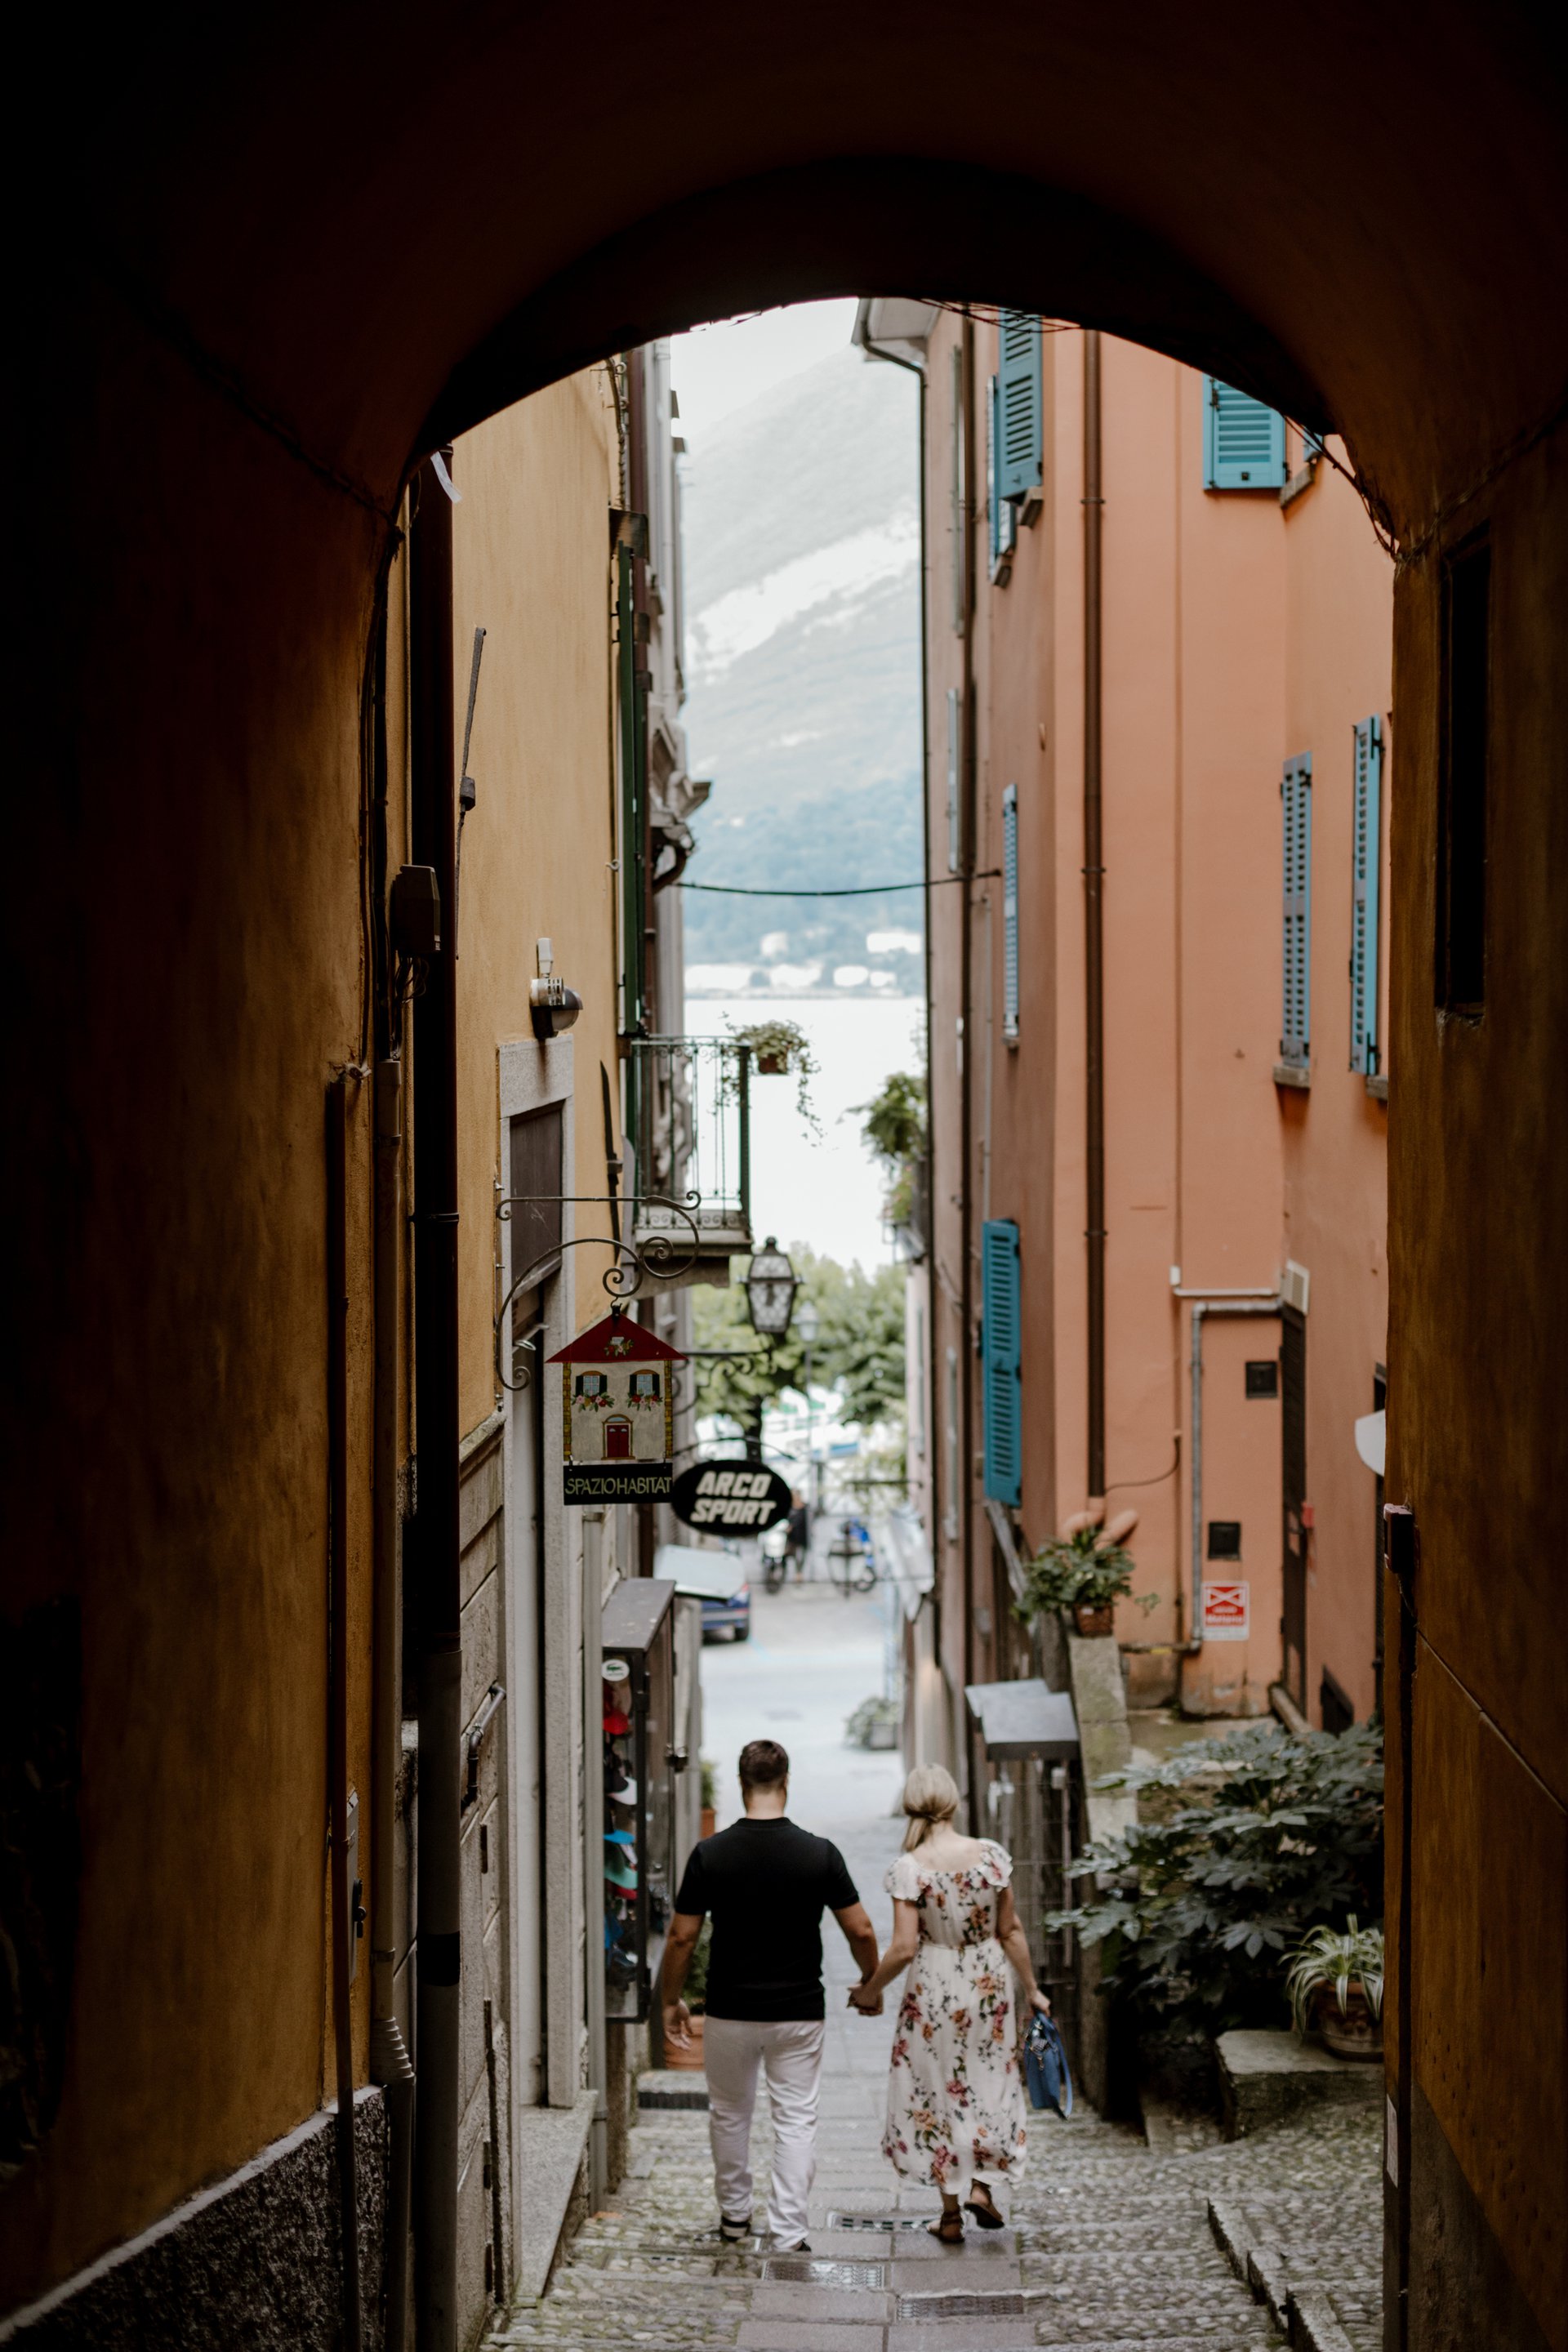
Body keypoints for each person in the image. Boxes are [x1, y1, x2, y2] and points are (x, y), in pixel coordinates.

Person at [662, 1739, 881, 2251]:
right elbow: (863, 1930)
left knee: (730, 2114)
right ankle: (788, 2230)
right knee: (796, 2118)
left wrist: (671, 1999)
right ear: (786, 1782)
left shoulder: (709, 1854)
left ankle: (735, 2218)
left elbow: (681, 1937)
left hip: (730, 2010)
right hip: (799, 2011)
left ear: (742, 1784)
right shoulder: (819, 1854)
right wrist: (870, 1982)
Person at [848, 1763, 1049, 2241]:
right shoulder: (992, 1858)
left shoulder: (910, 1868)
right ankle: (982, 2185)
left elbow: (902, 1947)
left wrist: (869, 1992)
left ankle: (951, 2215)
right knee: (989, 2079)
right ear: (954, 1803)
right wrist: (1033, 1989)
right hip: (986, 1982)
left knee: (937, 2090)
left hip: (935, 1984)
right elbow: (1011, 1931)